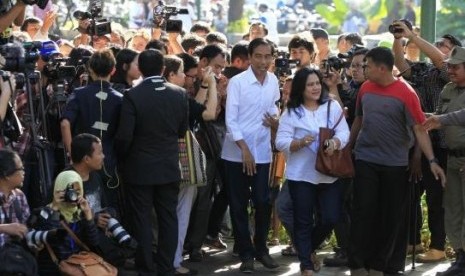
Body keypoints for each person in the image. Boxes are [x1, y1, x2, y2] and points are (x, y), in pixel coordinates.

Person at [347, 47, 446, 276]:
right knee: (363, 212)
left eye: (367, 66)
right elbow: (359, 119)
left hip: (394, 164)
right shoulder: (365, 88)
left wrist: (429, 160)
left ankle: (380, 265)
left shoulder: (406, 93)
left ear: (382, 68)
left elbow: (420, 130)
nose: (364, 70)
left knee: (390, 217)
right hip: (366, 159)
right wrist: (348, 147)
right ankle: (358, 264)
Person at [115, 49, 188, 276]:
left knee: (142, 219)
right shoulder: (179, 94)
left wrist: (123, 157)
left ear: (141, 69)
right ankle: (167, 266)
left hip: (139, 167)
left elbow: (125, 136)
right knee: (168, 217)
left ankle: (146, 266)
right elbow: (182, 130)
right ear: (163, 69)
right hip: (168, 165)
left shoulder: (133, 95)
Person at [276, 67, 349, 276]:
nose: (315, 87)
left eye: (317, 83)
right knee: (303, 220)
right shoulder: (291, 112)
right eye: (310, 84)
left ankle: (306, 250)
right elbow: (280, 141)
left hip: (328, 173)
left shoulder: (332, 106)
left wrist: (335, 142)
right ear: (301, 88)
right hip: (301, 174)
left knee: (330, 218)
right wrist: (297, 143)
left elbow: (344, 132)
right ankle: (306, 266)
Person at [221, 37, 280, 273]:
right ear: (249, 56)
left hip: (263, 152)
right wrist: (244, 148)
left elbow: (274, 107)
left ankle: (261, 249)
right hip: (236, 154)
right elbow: (230, 120)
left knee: (263, 202)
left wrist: (275, 120)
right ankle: (245, 253)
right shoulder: (237, 82)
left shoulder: (273, 80)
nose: (263, 61)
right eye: (258, 56)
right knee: (237, 205)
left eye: (267, 56)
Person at [61, 49, 123, 215]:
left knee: (77, 205)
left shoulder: (79, 94)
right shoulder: (119, 98)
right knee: (108, 206)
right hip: (108, 160)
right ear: (113, 70)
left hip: (82, 160)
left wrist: (71, 152)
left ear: (90, 70)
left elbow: (65, 123)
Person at [423, 46, 465, 276]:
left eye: (456, 67)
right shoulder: (448, 89)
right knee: (453, 209)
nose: (450, 70)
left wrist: (439, 118)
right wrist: (422, 117)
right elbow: (437, 116)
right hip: (452, 158)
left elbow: (454, 117)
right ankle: (460, 256)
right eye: (449, 66)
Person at [28, 170, 99, 276]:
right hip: (54, 270)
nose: (73, 195)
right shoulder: (44, 213)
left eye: (77, 191)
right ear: (59, 189)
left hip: (77, 268)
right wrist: (55, 209)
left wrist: (88, 215)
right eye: (69, 191)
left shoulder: (80, 214)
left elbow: (93, 242)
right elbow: (54, 241)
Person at [0, 149, 29, 248]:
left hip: (15, 259)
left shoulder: (19, 197)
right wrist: (4, 228)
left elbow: (26, 228)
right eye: (21, 169)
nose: (24, 172)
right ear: (7, 174)